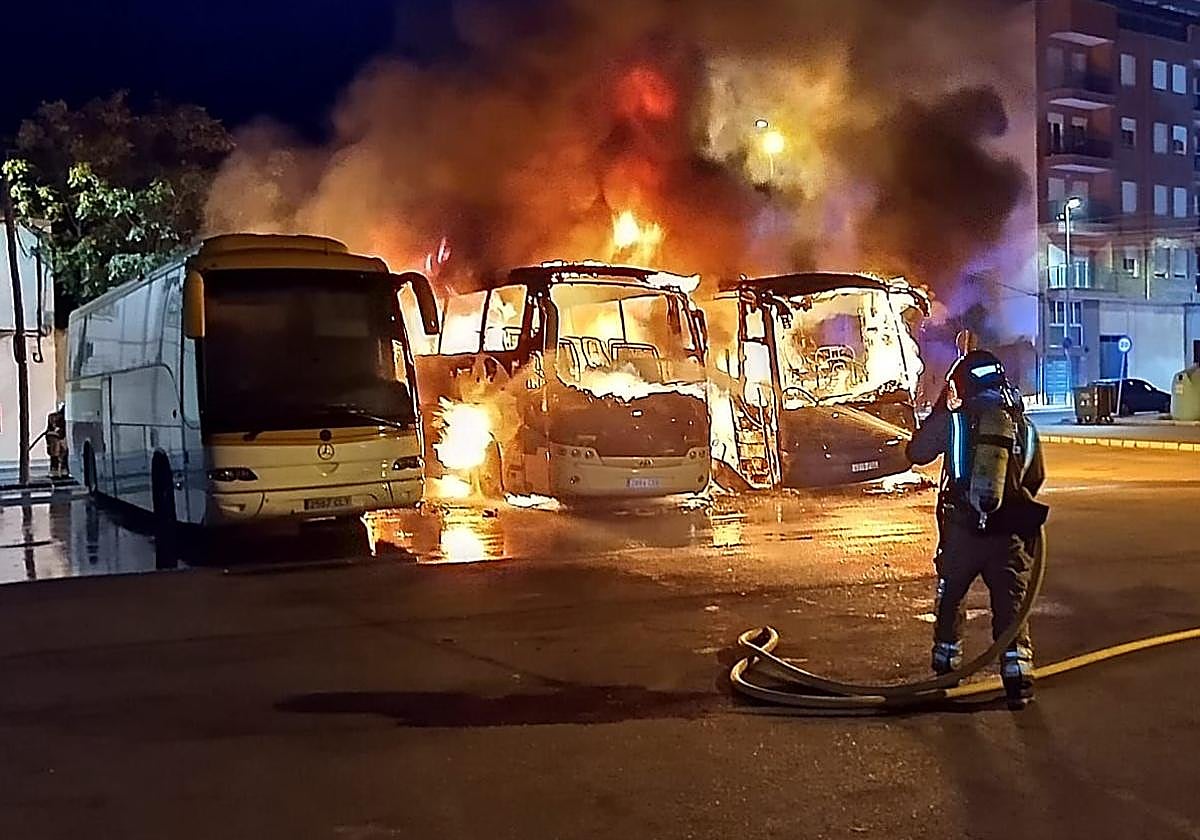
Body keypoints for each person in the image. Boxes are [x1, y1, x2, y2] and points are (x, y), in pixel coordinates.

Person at [906, 350, 1048, 709]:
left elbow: (916, 452)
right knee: (1011, 606)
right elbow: (1035, 477)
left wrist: (941, 408)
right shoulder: (1022, 426)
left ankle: (946, 670)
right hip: (1008, 536)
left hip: (963, 533)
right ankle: (1018, 680)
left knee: (951, 597)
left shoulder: (955, 421)